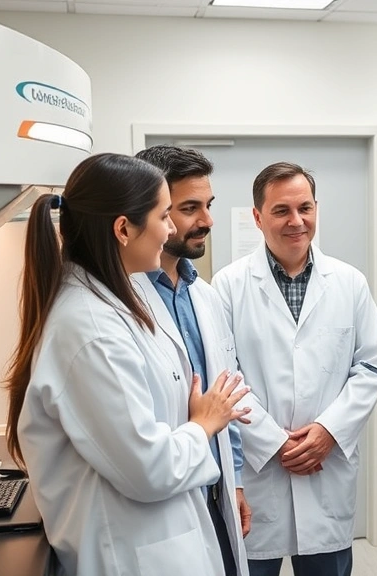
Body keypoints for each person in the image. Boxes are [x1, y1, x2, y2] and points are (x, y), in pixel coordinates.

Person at [5, 153, 250, 576]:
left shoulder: (110, 305)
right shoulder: (91, 327)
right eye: (164, 216)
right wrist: (205, 423)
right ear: (123, 229)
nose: (171, 228)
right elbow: (148, 469)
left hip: (160, 536)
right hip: (130, 552)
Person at [212, 161, 377, 576]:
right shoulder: (228, 285)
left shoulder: (349, 282)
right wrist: (275, 443)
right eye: (281, 211)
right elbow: (226, 377)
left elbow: (372, 364)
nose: (297, 221)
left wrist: (330, 431)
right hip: (259, 471)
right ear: (258, 217)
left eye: (305, 208)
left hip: (326, 467)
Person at [131, 145, 252, 576]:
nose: (207, 220)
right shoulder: (124, 302)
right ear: (154, 211)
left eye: (208, 205)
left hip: (214, 491)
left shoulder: (206, 296)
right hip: (165, 500)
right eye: (189, 208)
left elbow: (226, 396)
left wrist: (233, 479)